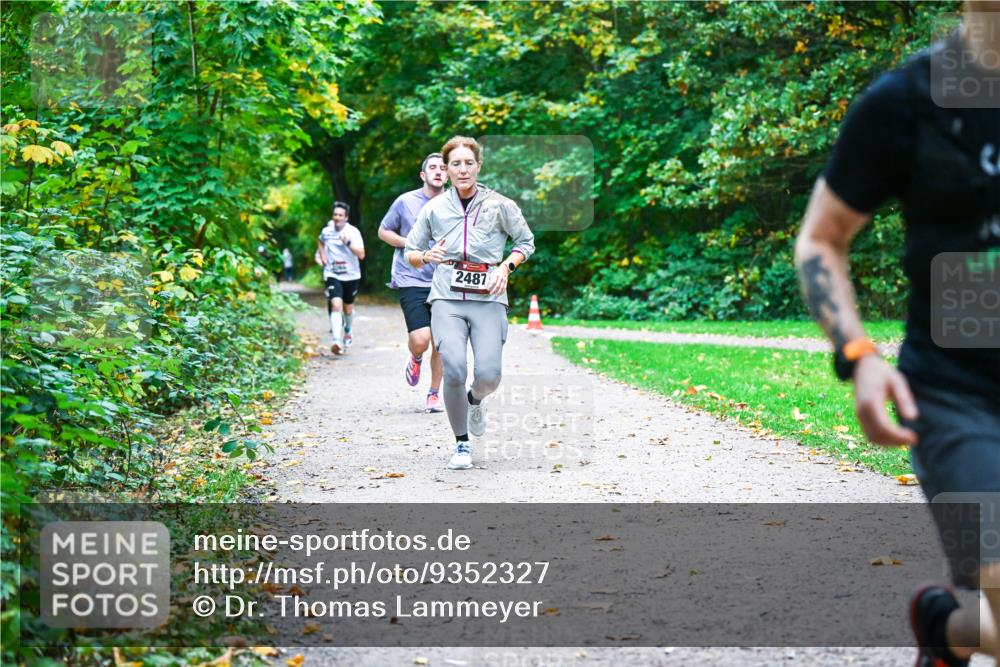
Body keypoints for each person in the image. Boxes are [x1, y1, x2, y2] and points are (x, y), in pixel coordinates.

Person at [794, 5, 999, 665]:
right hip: (954, 397)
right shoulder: (906, 102)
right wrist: (858, 352)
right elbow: (821, 239)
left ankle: (949, 627)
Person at [404, 136, 535, 470]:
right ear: (446, 170)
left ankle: (475, 400)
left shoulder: (501, 204)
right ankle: (461, 444)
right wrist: (425, 256)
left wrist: (506, 267)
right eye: (455, 164)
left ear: (478, 166)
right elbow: (411, 252)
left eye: (468, 163)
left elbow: (526, 241)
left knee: (489, 375)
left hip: (489, 295)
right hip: (447, 295)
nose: (462, 169)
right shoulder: (433, 208)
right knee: (454, 369)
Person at [378, 153, 447, 413]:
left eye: (443, 168)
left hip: (444, 279)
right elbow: (383, 231)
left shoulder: (455, 204)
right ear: (423, 175)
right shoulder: (405, 202)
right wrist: (411, 243)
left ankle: (433, 394)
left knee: (440, 341)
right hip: (411, 277)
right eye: (433, 167)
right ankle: (416, 356)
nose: (438, 171)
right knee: (421, 339)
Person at [316, 202, 365, 355]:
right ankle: (336, 341)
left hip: (351, 275)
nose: (337, 218)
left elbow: (362, 254)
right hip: (333, 273)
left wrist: (347, 242)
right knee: (336, 304)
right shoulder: (327, 231)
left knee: (348, 308)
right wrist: (323, 257)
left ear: (346, 218)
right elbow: (320, 241)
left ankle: (348, 330)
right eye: (335, 215)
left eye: (340, 215)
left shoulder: (353, 232)